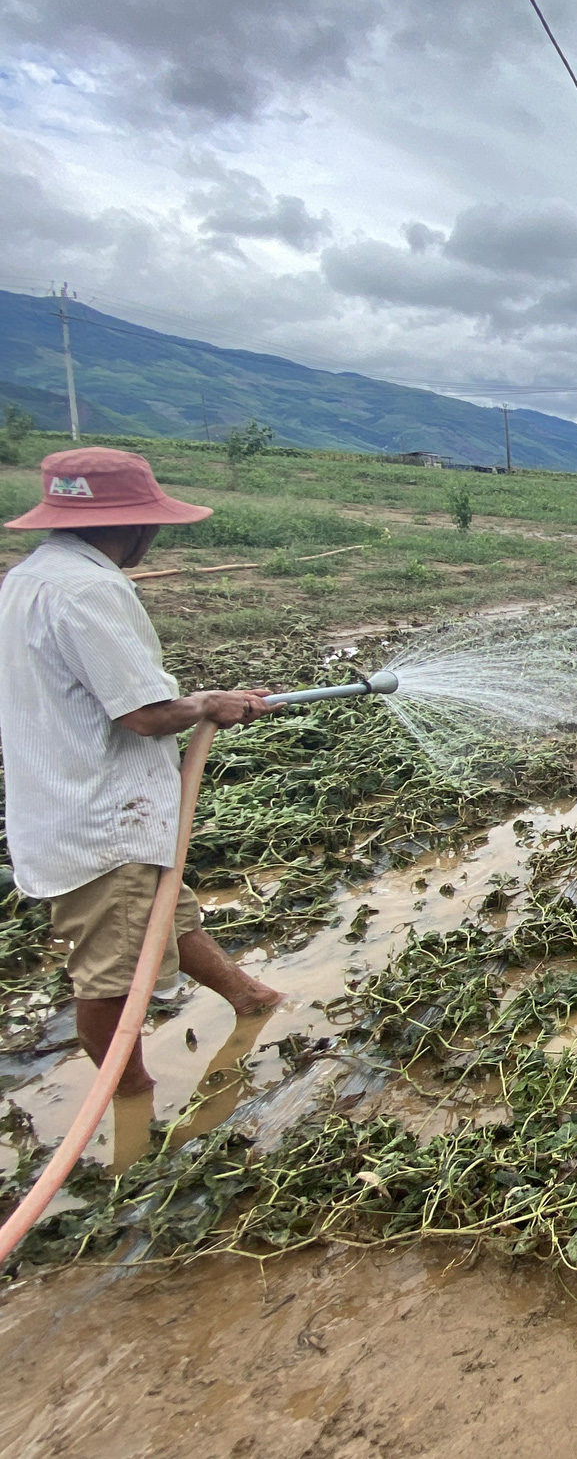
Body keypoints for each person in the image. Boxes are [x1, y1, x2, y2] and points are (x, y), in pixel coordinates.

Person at [0, 447, 281, 1097]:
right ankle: (130, 1100)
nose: (153, 537)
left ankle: (251, 998)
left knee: (167, 917)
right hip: (101, 821)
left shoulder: (31, 576)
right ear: (131, 523)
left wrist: (206, 703)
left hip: (67, 802)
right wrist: (209, 705)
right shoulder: (89, 588)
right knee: (111, 979)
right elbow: (148, 714)